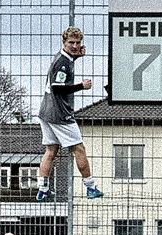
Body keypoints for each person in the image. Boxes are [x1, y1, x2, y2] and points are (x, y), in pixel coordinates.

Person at [36, 26, 102, 201]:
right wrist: (81, 86)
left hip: (45, 111)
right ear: (64, 42)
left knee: (51, 150)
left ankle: (42, 188)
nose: (75, 46)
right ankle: (91, 187)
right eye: (71, 42)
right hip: (59, 113)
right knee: (79, 148)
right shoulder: (63, 63)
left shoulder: (62, 58)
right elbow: (57, 88)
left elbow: (60, 76)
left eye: (78, 43)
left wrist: (76, 56)